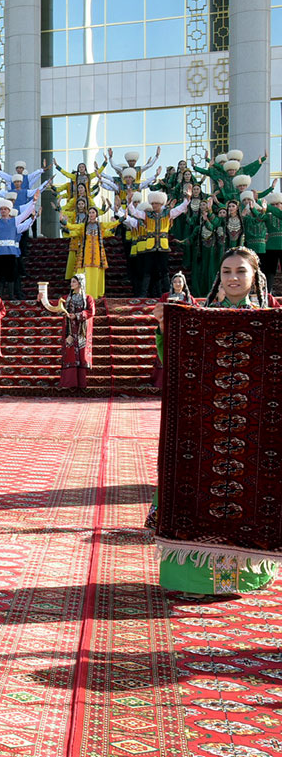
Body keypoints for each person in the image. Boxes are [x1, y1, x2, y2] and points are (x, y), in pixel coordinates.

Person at [151, 247, 279, 597]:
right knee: (194, 500)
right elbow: (174, 362)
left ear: (255, 277)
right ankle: (192, 581)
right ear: (218, 277)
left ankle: (231, 582)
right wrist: (166, 327)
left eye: (240, 271)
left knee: (245, 506)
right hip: (202, 430)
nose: (233, 278)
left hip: (252, 432)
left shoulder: (270, 321)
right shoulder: (198, 319)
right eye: (226, 271)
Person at [39, 274, 96, 389]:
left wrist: (77, 315)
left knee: (82, 353)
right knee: (70, 354)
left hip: (82, 331)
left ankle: (82, 382)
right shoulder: (66, 298)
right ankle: (70, 382)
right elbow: (54, 306)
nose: (71, 284)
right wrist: (42, 299)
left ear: (80, 283)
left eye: (74, 282)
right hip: (70, 330)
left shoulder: (88, 298)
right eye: (71, 282)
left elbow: (91, 312)